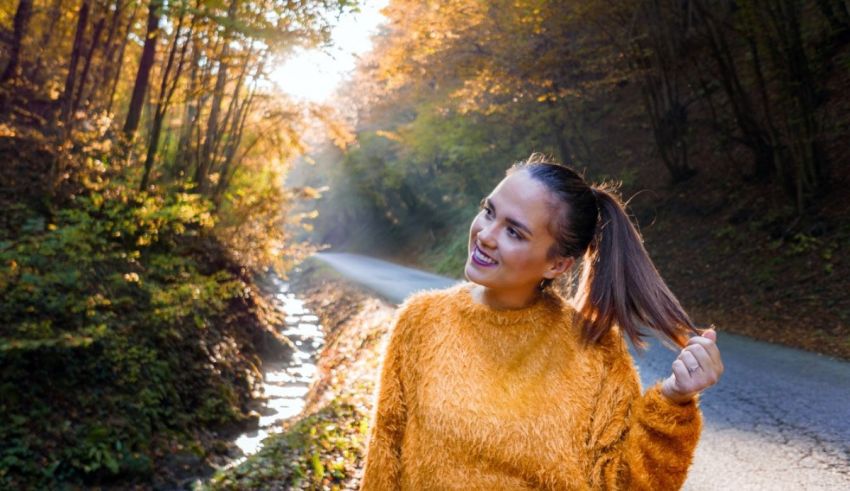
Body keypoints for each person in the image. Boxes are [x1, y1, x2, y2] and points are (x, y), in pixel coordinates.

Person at [359, 154, 725, 490]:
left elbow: (624, 483)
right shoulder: (420, 321)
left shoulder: (594, 349)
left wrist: (674, 400)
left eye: (514, 231)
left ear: (558, 265)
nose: (485, 235)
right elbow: (384, 453)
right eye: (489, 211)